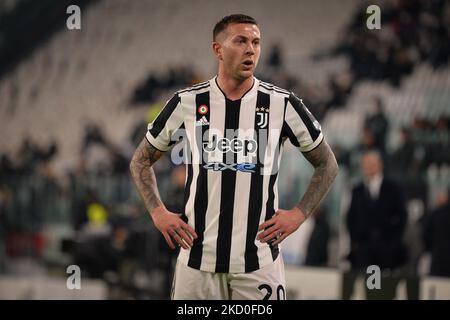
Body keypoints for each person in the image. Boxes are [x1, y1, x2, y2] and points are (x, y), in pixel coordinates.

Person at [129, 14, 338, 300]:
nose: (250, 49)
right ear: (218, 49)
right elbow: (140, 160)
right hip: (196, 264)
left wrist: (299, 215)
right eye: (240, 41)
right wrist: (157, 212)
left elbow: (327, 163)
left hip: (258, 264)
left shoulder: (282, 104)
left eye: (256, 42)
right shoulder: (187, 102)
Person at [346, 150, 408, 272]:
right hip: (363, 252)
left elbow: (402, 216)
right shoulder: (357, 190)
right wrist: (356, 242)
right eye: (365, 164)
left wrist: (394, 242)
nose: (368, 167)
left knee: (383, 288)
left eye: (372, 163)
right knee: (367, 287)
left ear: (380, 164)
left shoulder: (393, 188)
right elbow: (351, 218)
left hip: (388, 252)